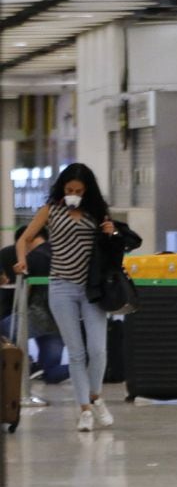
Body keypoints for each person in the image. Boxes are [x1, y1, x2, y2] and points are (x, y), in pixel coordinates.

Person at [15, 163, 122, 430]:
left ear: (87, 191)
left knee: (97, 350)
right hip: (61, 286)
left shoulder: (96, 212)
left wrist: (112, 234)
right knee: (75, 352)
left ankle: (96, 397)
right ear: (62, 188)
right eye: (69, 189)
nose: (73, 193)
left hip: (92, 289)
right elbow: (24, 239)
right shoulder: (51, 210)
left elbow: (113, 248)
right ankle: (84, 408)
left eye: (78, 190)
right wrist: (21, 261)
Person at [0, 226, 69, 384]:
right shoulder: (60, 253)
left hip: (37, 316)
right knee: (51, 372)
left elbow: (25, 290)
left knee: (4, 328)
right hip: (60, 319)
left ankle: (28, 364)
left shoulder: (32, 258)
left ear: (27, 239)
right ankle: (85, 366)